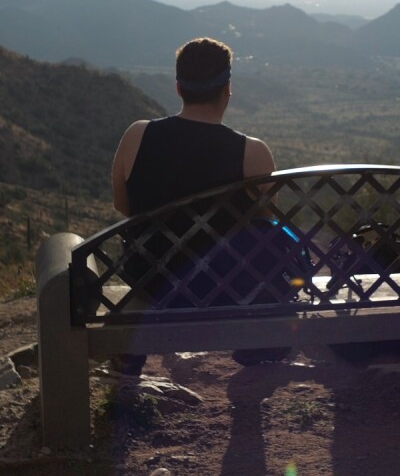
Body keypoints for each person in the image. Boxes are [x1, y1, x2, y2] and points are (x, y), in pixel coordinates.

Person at [109, 37, 286, 369]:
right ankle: (258, 352)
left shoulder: (137, 135)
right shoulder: (253, 153)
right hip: (226, 288)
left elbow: (124, 206)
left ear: (178, 88)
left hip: (150, 281)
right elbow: (264, 220)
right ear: (227, 89)